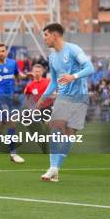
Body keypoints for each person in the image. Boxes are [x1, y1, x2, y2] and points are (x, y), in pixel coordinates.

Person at [36, 23, 95, 182]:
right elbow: (54, 82)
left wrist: (73, 76)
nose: (44, 39)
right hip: (63, 98)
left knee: (69, 136)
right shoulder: (52, 56)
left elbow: (90, 68)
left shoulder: (73, 49)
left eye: (46, 35)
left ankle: (55, 169)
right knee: (56, 129)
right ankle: (52, 167)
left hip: (80, 98)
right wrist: (43, 97)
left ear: (55, 35)